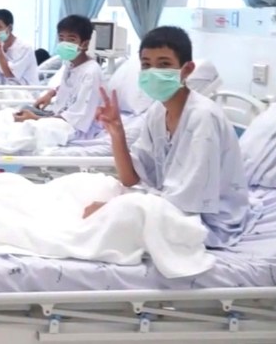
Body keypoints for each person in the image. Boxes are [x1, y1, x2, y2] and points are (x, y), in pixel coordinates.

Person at [84, 26, 258, 248]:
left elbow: (185, 206)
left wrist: (114, 209)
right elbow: (132, 179)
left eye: (164, 64)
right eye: (146, 65)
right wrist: (116, 132)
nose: (153, 72)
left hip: (206, 222)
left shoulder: (202, 118)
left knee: (103, 218)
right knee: (85, 187)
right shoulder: (157, 112)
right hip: (169, 206)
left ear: (187, 70)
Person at [13, 15, 104, 140]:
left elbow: (77, 119)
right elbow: (73, 85)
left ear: (85, 44)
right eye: (61, 39)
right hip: (58, 116)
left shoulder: (91, 73)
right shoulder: (71, 63)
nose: (64, 43)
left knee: (28, 128)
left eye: (71, 40)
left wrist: (36, 119)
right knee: (16, 113)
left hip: (72, 128)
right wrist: (51, 93)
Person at [0, 9, 39, 98]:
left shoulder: (24, 48)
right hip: (6, 92)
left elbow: (9, 74)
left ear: (9, 28)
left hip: (25, 94)